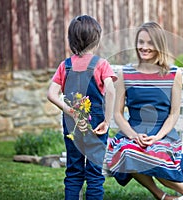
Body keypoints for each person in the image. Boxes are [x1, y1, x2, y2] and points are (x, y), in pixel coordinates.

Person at [106, 22, 183, 200]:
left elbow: (174, 114)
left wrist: (158, 136)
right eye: (141, 42)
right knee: (129, 152)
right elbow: (118, 114)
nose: (144, 47)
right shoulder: (125, 73)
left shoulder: (174, 73)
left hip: (163, 133)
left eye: (150, 43)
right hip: (133, 133)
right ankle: (164, 196)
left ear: (159, 45)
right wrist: (134, 135)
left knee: (156, 153)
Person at [47, 15, 116, 200]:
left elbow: (51, 94)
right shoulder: (101, 64)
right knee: (94, 173)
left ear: (71, 40)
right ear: (96, 39)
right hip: (96, 127)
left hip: (72, 126)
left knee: (74, 171)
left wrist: (70, 110)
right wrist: (107, 121)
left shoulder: (65, 66)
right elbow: (110, 92)